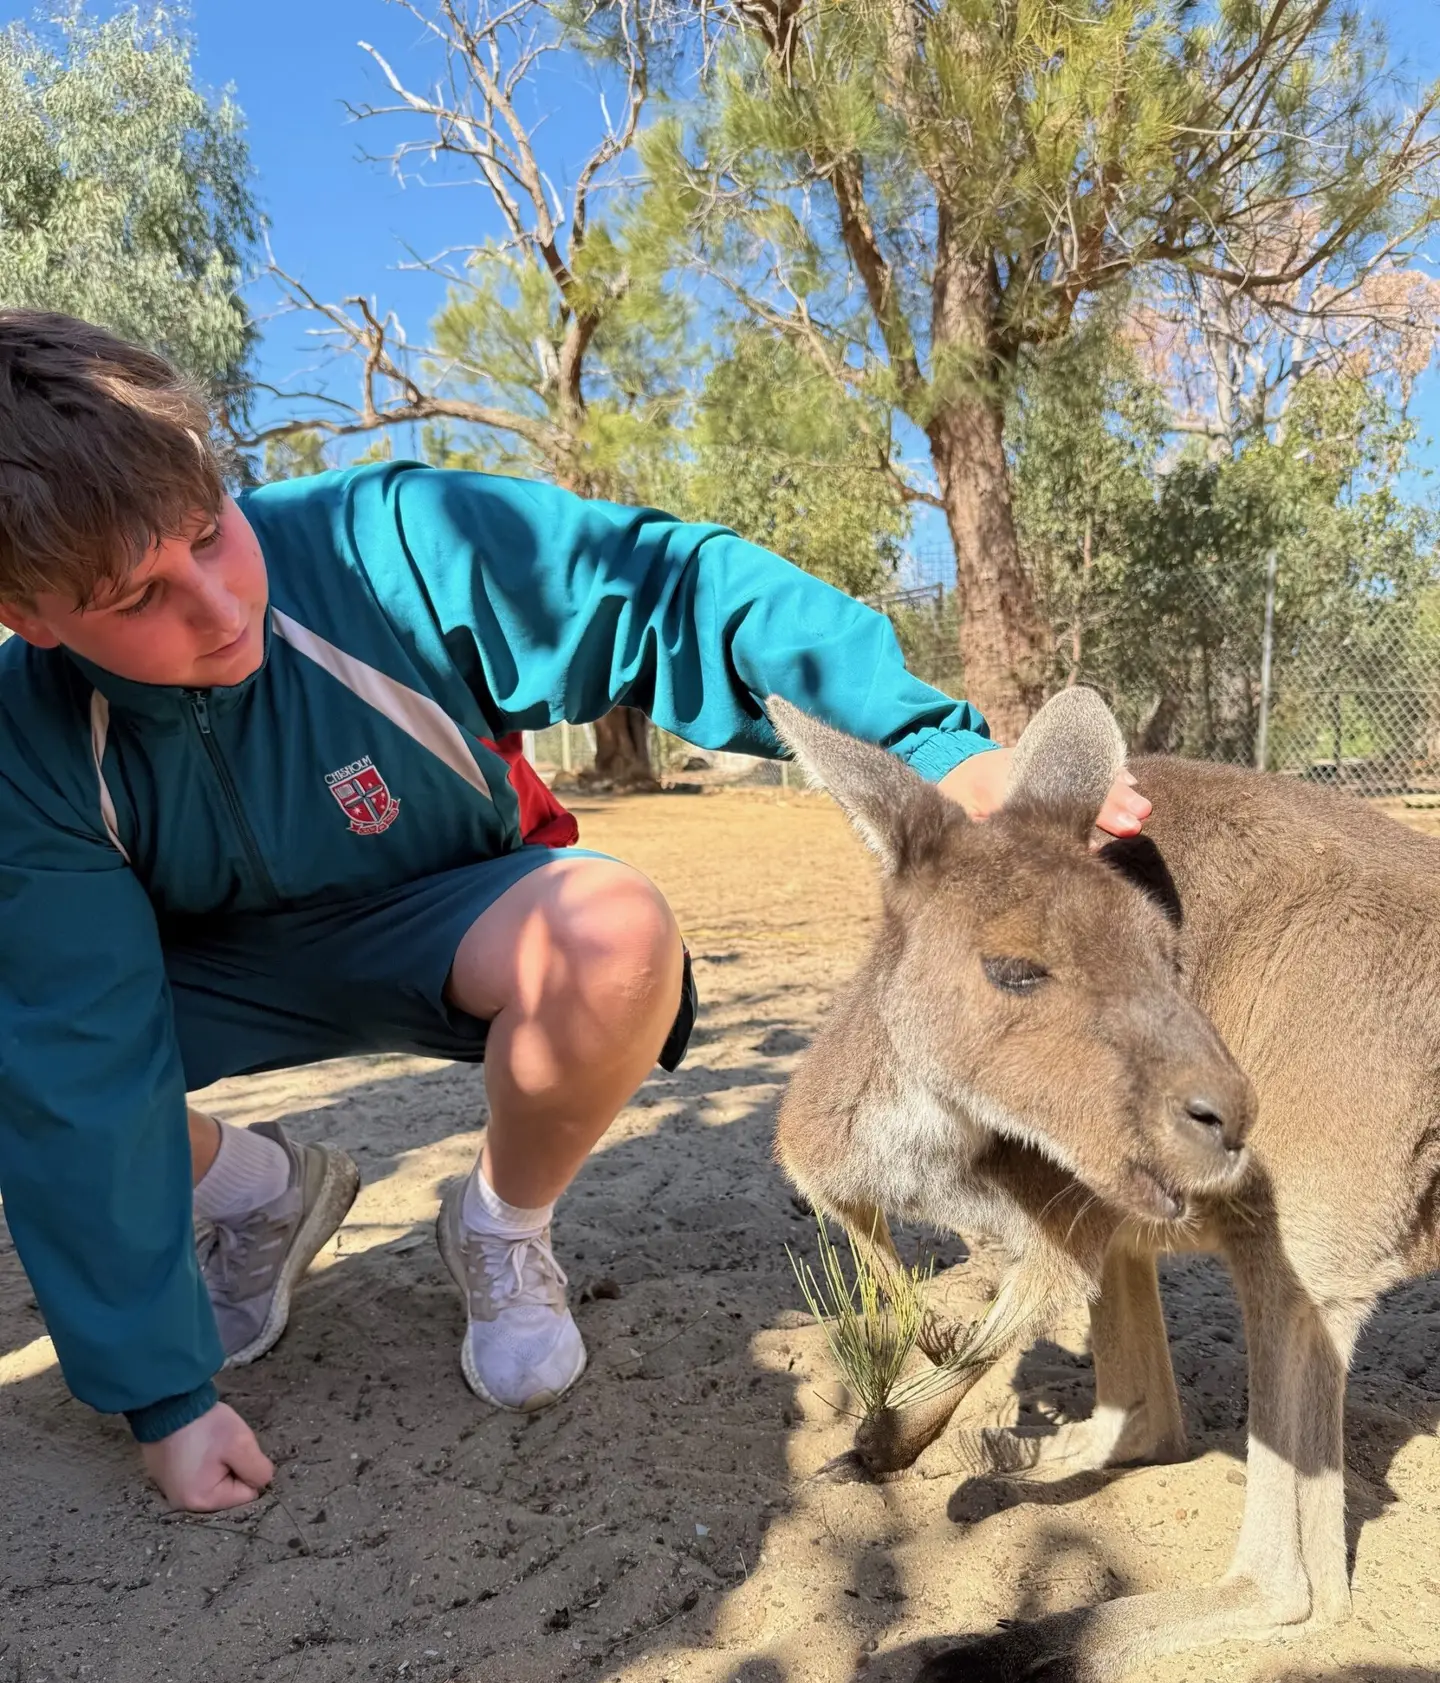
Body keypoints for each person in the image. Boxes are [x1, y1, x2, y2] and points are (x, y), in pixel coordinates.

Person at [0, 311, 1150, 1515]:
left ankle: (500, 1224)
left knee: (613, 931)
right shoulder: (29, 740)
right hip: (209, 970)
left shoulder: (377, 546)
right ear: (32, 615)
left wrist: (928, 746)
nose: (220, 606)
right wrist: (165, 1400)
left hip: (449, 919)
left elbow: (663, 590)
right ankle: (256, 1192)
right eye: (139, 596)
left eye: (209, 533)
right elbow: (79, 1055)